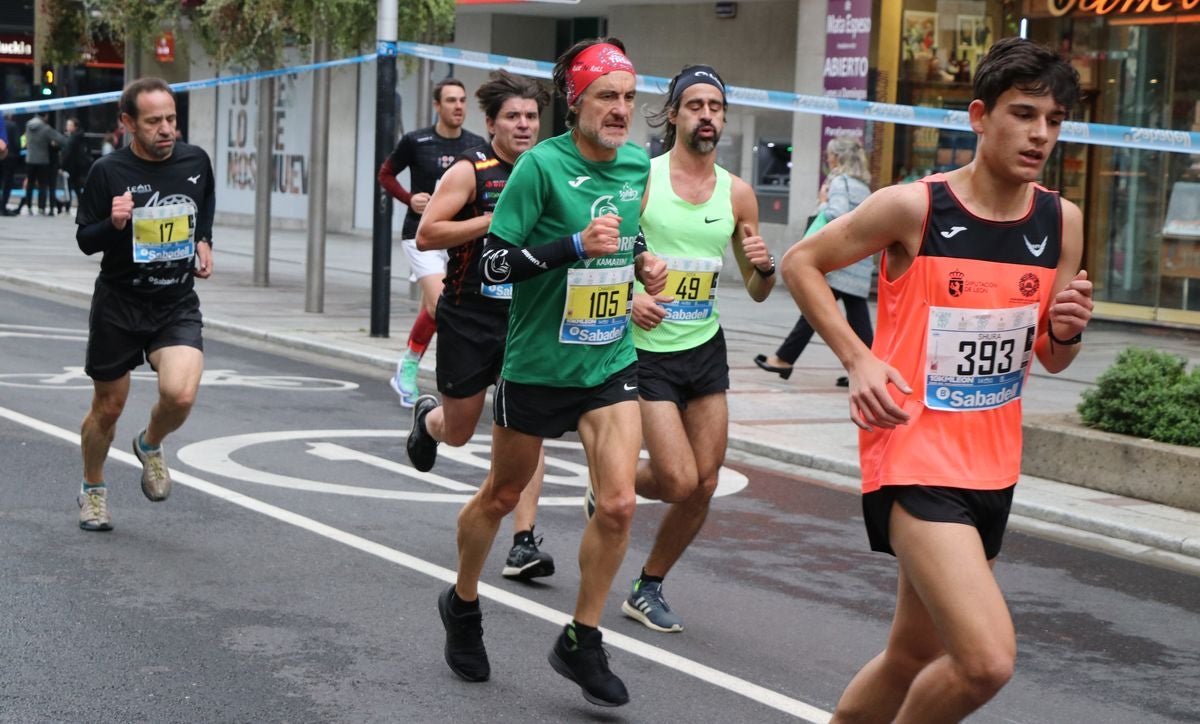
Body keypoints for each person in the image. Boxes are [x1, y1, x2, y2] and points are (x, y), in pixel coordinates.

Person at [780, 37, 1092, 723]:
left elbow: (1052, 356)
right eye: (1023, 113)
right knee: (985, 660)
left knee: (911, 656)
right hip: (913, 453)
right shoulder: (915, 208)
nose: (1040, 133)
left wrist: (1065, 329)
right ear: (979, 116)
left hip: (993, 464)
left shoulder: (1059, 222)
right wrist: (858, 358)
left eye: (1054, 119)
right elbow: (800, 263)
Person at [436, 38, 666, 707]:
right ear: (576, 102)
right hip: (537, 363)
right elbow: (493, 267)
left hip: (608, 357)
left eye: (629, 97)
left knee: (619, 503)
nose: (622, 110)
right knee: (503, 496)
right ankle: (463, 600)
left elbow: (627, 235)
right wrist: (569, 247)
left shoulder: (635, 166)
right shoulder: (540, 167)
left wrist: (641, 272)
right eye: (608, 98)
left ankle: (582, 640)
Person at [620, 64, 775, 633]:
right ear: (674, 115)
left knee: (705, 481)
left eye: (716, 107)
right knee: (679, 480)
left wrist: (767, 269)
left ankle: (648, 585)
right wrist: (627, 298)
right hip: (645, 346)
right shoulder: (642, 177)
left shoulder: (738, 193)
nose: (707, 116)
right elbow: (605, 256)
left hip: (704, 346)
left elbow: (758, 291)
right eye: (696, 105)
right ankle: (610, 479)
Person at [406, 70, 556, 581]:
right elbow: (428, 235)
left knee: (526, 430)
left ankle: (523, 540)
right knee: (459, 432)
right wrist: (491, 222)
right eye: (512, 116)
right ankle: (430, 420)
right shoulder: (472, 170)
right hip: (470, 316)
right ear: (490, 122)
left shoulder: (550, 170)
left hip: (527, 319)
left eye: (531, 116)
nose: (523, 125)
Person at [74, 77, 216, 532]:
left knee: (181, 394)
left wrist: (205, 240)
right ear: (127, 123)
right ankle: (93, 490)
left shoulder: (196, 160)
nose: (166, 129)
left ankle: (150, 443)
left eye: (171, 119)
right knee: (108, 408)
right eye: (154, 121)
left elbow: (202, 205)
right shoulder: (107, 172)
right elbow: (84, 240)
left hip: (174, 300)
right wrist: (113, 223)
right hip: (120, 301)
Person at [378, 78, 485, 407]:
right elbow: (385, 174)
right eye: (451, 100)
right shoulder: (416, 141)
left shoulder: (476, 145)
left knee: (434, 307)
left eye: (463, 100)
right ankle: (419, 369)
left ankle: (407, 367)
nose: (458, 107)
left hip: (460, 237)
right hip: (421, 235)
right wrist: (410, 199)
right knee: (441, 305)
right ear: (437, 106)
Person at [755, 137, 874, 387]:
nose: (827, 160)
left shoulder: (840, 182)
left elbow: (837, 214)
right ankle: (868, 369)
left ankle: (784, 359)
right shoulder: (863, 186)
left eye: (830, 155)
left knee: (815, 309)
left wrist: (822, 203)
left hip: (841, 263)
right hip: (858, 261)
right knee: (854, 318)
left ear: (838, 158)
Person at [24, 112, 67, 216]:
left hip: (30, 158)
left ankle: (29, 206)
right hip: (42, 160)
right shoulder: (45, 128)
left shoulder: (28, 124)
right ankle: (41, 207)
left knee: (30, 184)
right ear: (46, 116)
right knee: (42, 185)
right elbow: (61, 140)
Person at [61, 118, 92, 213]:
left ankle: (68, 207)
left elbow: (67, 153)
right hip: (79, 167)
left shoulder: (72, 138)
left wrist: (62, 166)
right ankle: (81, 206)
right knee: (77, 188)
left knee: (69, 187)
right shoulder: (81, 137)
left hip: (72, 167)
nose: (67, 127)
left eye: (70, 125)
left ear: (75, 127)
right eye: (67, 124)